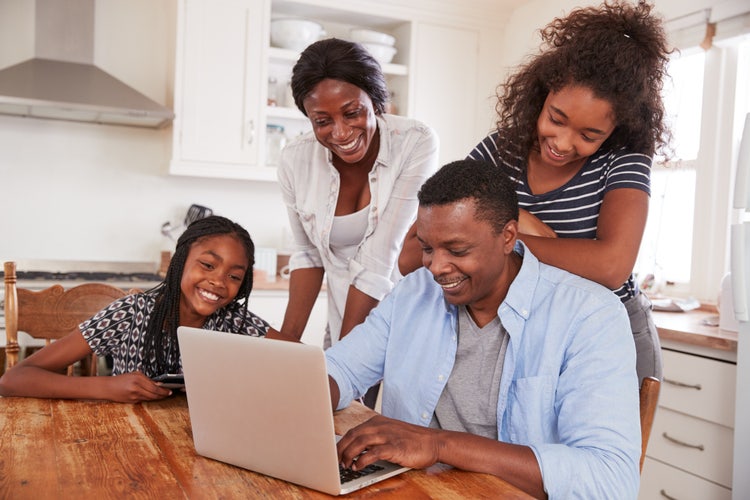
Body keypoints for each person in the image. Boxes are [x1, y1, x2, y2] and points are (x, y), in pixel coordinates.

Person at [327, 159, 641, 499]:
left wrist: (439, 445)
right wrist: (300, 397)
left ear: (507, 237)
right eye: (427, 248)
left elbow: (611, 479)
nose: (436, 267)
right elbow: (341, 368)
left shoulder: (589, 315)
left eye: (457, 250)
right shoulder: (414, 293)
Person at [399, 0, 671, 384]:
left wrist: (504, 237)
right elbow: (414, 255)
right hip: (535, 335)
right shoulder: (499, 151)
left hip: (614, 338)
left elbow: (611, 267)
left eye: (589, 135)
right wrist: (521, 226)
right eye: (555, 118)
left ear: (615, 131)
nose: (561, 142)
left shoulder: (624, 159)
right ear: (542, 94)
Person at [277, 37, 438, 405]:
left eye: (352, 113)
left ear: (376, 101)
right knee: (335, 427)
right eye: (322, 121)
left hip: (407, 312)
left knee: (392, 426)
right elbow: (307, 256)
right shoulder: (295, 160)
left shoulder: (415, 142)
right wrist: (284, 350)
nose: (341, 132)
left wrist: (345, 365)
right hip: (345, 317)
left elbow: (381, 256)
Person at [0, 215, 289, 403]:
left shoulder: (235, 322)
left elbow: (306, 368)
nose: (218, 281)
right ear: (179, 261)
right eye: (208, 265)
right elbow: (14, 379)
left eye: (234, 276)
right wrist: (106, 388)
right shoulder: (131, 313)